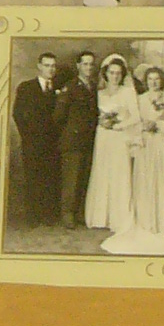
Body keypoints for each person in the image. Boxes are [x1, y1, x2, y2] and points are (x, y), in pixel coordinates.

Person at [84, 55, 139, 234]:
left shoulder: (128, 92)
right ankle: (100, 217)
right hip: (102, 137)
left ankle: (119, 217)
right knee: (102, 172)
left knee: (119, 174)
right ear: (105, 74)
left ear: (122, 75)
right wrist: (102, 123)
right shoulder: (99, 93)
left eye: (118, 73)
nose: (115, 76)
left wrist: (117, 126)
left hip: (119, 137)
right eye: (112, 73)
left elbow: (136, 117)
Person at [14, 52, 63, 227]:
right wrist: (28, 137)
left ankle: (48, 215)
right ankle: (32, 216)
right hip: (32, 142)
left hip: (53, 143)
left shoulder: (59, 88)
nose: (51, 69)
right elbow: (18, 114)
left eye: (53, 66)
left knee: (50, 178)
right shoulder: (26, 87)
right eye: (47, 65)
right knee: (32, 178)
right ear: (39, 66)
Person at [130, 66, 164, 237]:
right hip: (145, 143)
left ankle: (161, 221)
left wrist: (157, 124)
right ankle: (144, 220)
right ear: (146, 81)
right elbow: (134, 123)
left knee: (160, 178)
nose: (153, 82)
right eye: (150, 79)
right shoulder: (140, 99)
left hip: (161, 142)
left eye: (157, 79)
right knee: (144, 179)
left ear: (162, 81)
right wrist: (143, 127)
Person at [55, 51, 100, 228]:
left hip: (90, 140)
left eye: (91, 64)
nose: (89, 67)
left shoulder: (94, 87)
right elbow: (59, 116)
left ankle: (80, 213)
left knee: (84, 178)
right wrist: (70, 132)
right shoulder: (70, 87)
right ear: (78, 66)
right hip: (72, 141)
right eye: (85, 64)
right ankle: (67, 214)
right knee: (71, 180)